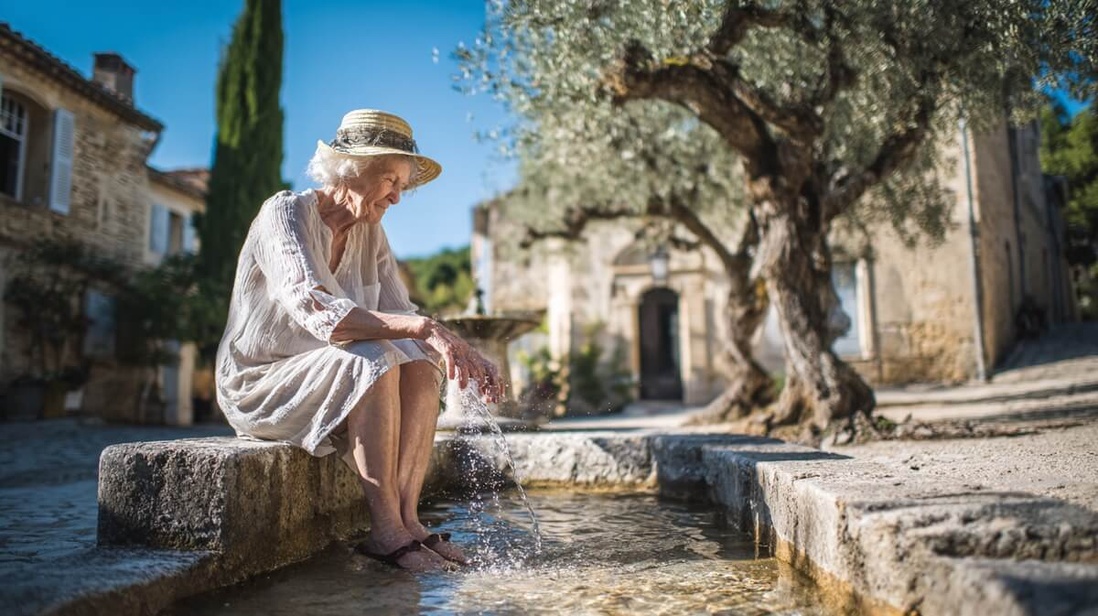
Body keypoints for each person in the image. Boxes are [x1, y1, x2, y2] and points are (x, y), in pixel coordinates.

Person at [215, 109, 503, 572]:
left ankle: (408, 523)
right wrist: (423, 329)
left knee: (416, 361)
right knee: (374, 354)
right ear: (349, 170)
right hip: (261, 381)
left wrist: (469, 353)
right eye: (390, 180)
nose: (396, 197)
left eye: (402, 185)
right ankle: (385, 530)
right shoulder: (285, 213)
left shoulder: (372, 234)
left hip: (329, 375)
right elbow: (318, 310)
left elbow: (405, 319)